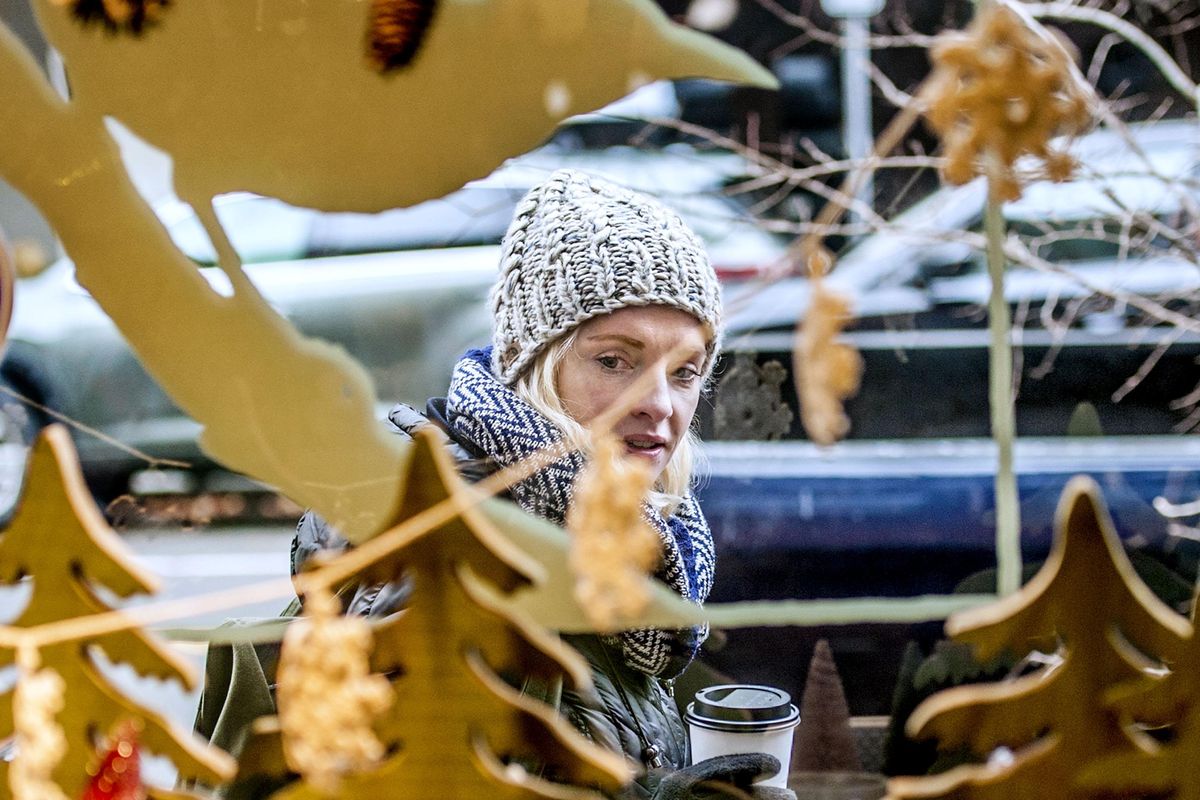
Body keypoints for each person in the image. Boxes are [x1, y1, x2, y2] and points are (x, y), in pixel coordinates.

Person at [292, 169, 790, 799]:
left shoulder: (614, 537)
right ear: (537, 365)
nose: (660, 404)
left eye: (686, 371)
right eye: (615, 361)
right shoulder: (456, 538)